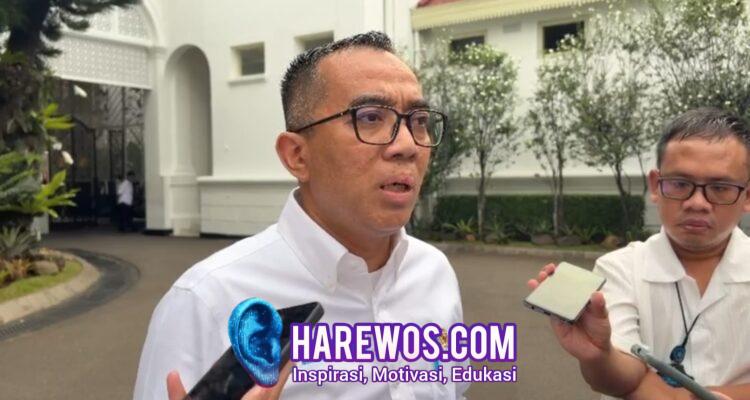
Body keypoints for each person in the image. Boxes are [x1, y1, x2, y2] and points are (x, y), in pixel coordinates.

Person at [133, 31, 468, 400]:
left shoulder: (433, 273)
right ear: (297, 156)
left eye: (419, 121)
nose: (407, 145)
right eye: (370, 117)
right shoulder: (208, 302)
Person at [529, 107, 750, 400]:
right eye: (680, 184)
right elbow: (622, 375)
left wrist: (661, 392)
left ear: (747, 196)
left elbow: (636, 387)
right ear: (655, 186)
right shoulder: (618, 268)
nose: (697, 203)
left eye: (720, 187)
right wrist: (599, 355)